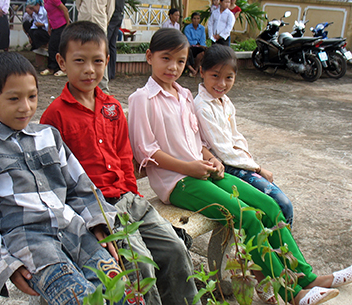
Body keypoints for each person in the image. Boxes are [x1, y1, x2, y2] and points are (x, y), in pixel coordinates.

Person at [128, 28, 352, 305]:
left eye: (181, 61)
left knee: (269, 206)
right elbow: (146, 151)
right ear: (149, 57)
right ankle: (291, 293)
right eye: (166, 59)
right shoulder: (142, 99)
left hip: (203, 172)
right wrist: (191, 168)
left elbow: (195, 139)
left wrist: (211, 158)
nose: (173, 67)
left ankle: (306, 277)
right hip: (178, 182)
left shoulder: (183, 95)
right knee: (247, 217)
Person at [40, 21, 200, 305]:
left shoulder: (112, 107)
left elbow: (125, 156)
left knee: (175, 248)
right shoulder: (55, 116)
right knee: (140, 265)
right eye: (79, 61)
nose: (90, 69)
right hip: (96, 207)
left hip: (129, 199)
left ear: (107, 61)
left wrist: (132, 194)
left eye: (97, 61)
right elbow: (54, 175)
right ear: (62, 62)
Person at [0, 52, 126, 305]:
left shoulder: (49, 136)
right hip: (33, 247)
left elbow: (79, 187)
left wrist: (99, 223)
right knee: (80, 300)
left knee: (120, 290)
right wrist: (4, 265)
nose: (26, 107)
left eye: (32, 96)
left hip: (75, 231)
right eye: (14, 99)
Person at [193, 44, 294, 228]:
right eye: (215, 76)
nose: (221, 84)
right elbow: (223, 151)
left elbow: (235, 137)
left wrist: (251, 162)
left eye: (228, 77)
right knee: (281, 205)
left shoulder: (225, 101)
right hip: (223, 167)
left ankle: (279, 252)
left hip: (238, 163)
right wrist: (257, 168)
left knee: (279, 205)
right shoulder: (202, 106)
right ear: (202, 71)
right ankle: (278, 253)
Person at [75, 0, 114, 94]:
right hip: (84, 21)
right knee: (81, 54)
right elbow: (78, 4)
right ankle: (79, 85)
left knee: (100, 56)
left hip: (99, 22)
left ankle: (103, 88)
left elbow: (110, 9)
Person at [39, 0, 69, 77]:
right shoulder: (45, 1)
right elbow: (49, 14)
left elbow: (65, 9)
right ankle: (51, 67)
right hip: (54, 25)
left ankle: (63, 69)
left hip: (61, 24)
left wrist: (68, 25)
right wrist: (49, 26)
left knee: (59, 47)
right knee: (52, 47)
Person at [183, 12, 206, 77]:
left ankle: (195, 69)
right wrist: (196, 44)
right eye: (194, 18)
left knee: (203, 53)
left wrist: (201, 45)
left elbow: (203, 39)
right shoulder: (188, 28)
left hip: (200, 46)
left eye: (198, 18)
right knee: (189, 51)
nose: (196, 20)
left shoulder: (202, 28)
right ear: (192, 19)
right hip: (191, 46)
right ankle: (192, 70)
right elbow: (188, 39)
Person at [106, 0, 125, 80]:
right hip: (119, 15)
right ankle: (111, 73)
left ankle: (107, 73)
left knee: (106, 44)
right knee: (112, 45)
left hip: (112, 16)